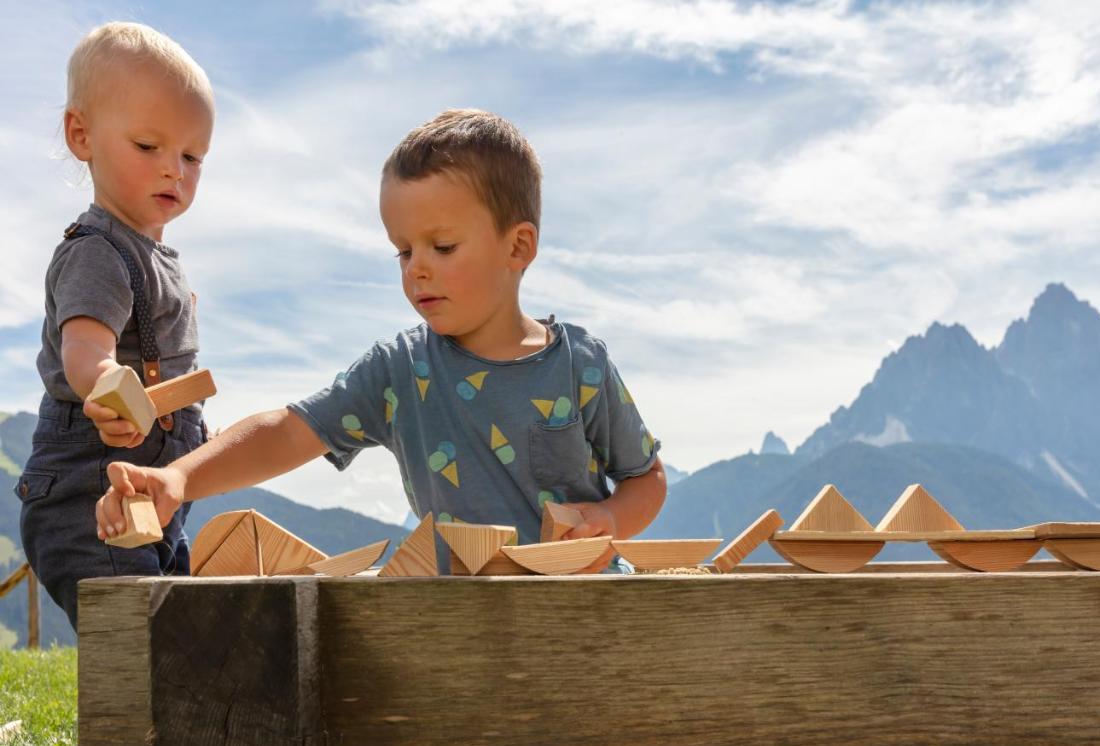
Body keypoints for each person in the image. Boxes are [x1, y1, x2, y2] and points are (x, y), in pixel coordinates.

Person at [96, 109, 666, 572]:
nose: (416, 269)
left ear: (517, 248)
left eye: (442, 248)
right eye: (403, 250)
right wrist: (178, 477)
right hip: (462, 634)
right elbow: (289, 431)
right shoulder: (401, 369)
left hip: (588, 616)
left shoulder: (579, 364)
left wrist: (610, 520)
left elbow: (645, 478)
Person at [14, 22, 215, 629]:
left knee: (169, 629)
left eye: (191, 156)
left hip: (144, 489)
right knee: (136, 632)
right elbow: (83, 344)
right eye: (148, 146)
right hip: (87, 489)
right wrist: (104, 384)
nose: (172, 171)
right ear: (82, 136)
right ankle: (126, 724)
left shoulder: (158, 260)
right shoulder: (98, 251)